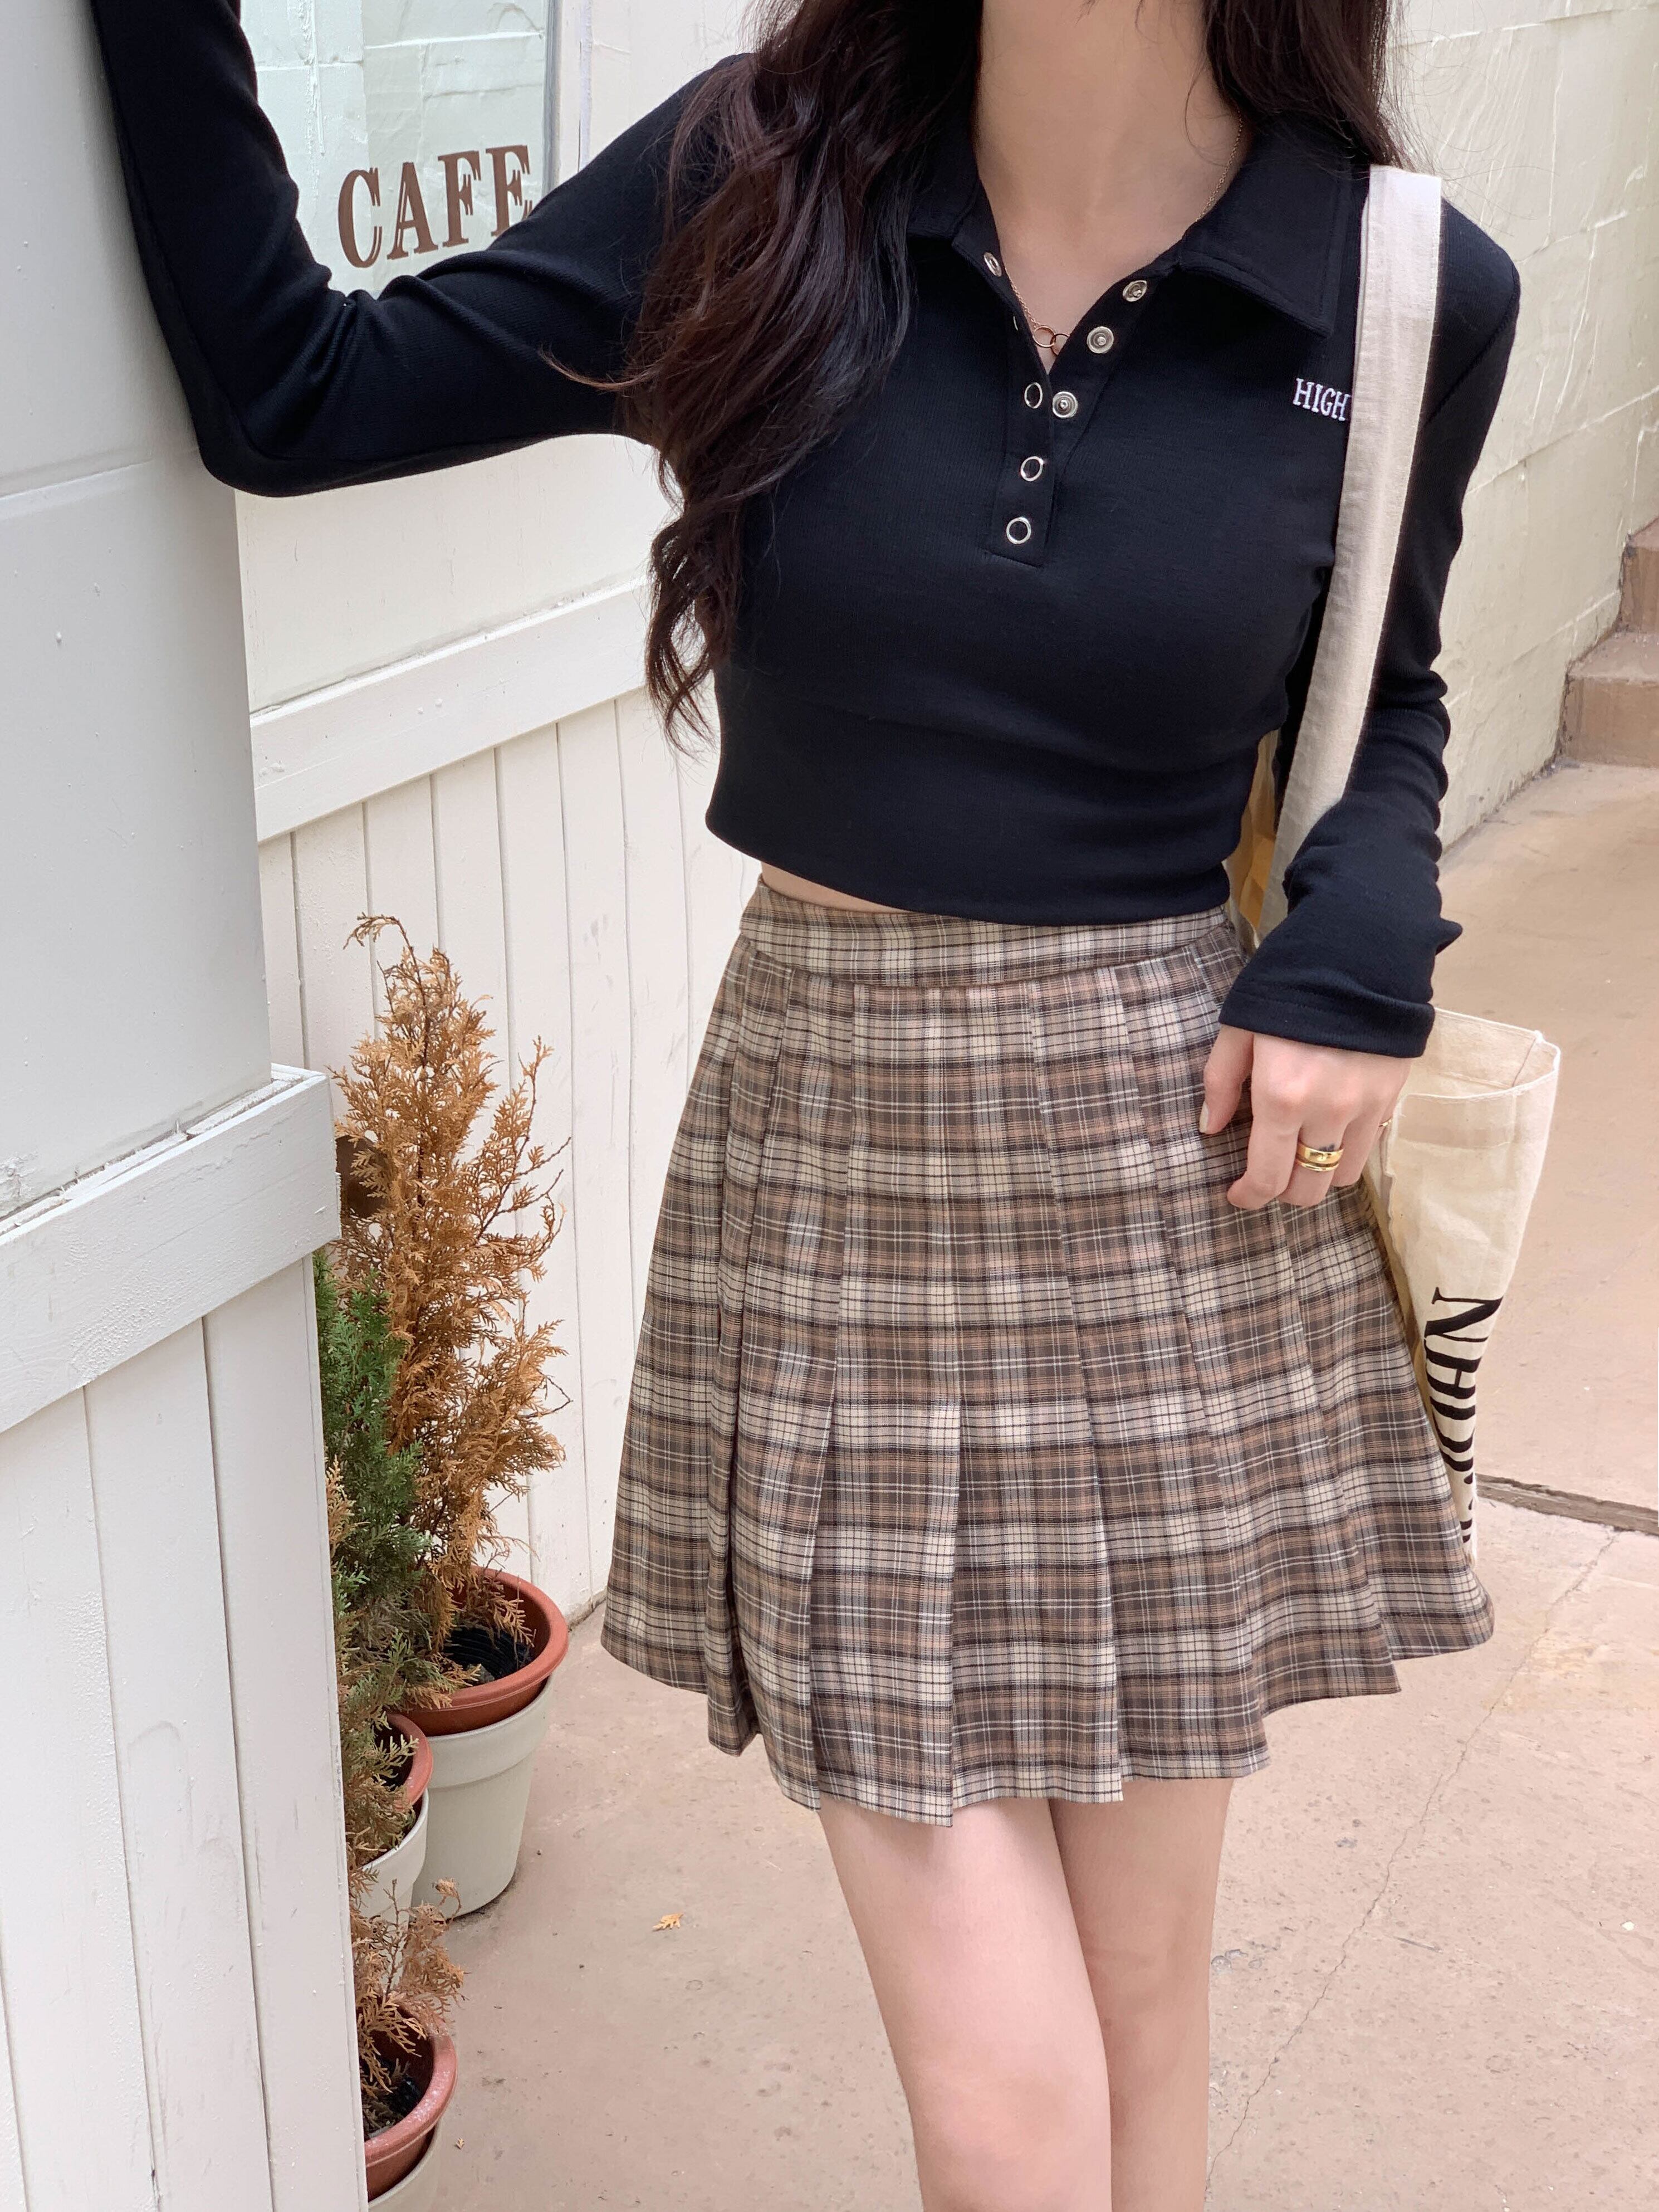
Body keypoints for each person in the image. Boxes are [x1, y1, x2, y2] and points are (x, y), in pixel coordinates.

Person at [89, 2, 1518, 2204]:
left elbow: (1386, 687)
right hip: (840, 1147)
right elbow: (300, 393)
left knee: (1144, 2009)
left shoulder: (1401, 284)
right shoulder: (761, 176)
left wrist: (1362, 947)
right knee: (1004, 2110)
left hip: (1173, 1165)